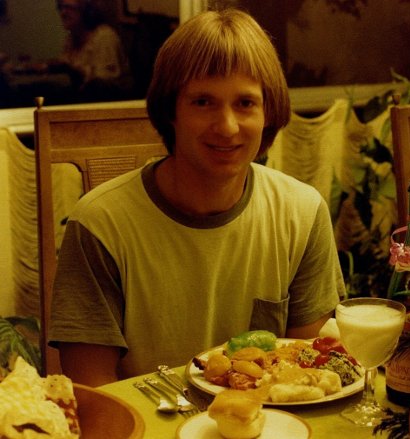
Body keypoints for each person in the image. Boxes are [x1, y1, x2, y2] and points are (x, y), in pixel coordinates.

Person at [48, 8, 345, 387]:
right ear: (170, 111)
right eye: (203, 102)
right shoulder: (100, 223)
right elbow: (94, 393)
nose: (227, 127)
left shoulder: (302, 212)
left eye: (245, 103)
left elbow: (304, 376)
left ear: (268, 112)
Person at [50, 0, 132, 101]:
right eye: (61, 8)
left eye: (69, 8)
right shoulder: (71, 39)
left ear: (87, 11)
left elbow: (103, 85)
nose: (63, 13)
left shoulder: (104, 36)